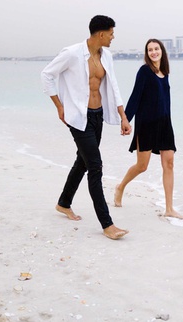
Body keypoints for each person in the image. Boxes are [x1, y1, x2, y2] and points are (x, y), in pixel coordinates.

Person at [40, 15, 131, 240]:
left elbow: (114, 85)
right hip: (78, 118)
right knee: (95, 166)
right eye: (111, 33)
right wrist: (59, 106)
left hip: (97, 115)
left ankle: (63, 203)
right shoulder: (71, 53)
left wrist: (123, 116)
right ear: (101, 34)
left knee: (83, 161)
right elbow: (47, 75)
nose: (113, 37)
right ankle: (107, 224)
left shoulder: (106, 56)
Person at [114, 38, 183, 219]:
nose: (154, 52)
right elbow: (135, 96)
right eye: (150, 50)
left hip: (165, 123)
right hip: (147, 123)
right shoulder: (144, 71)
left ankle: (169, 209)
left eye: (156, 48)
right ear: (147, 53)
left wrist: (168, 121)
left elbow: (166, 100)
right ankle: (120, 186)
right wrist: (126, 120)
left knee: (169, 163)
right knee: (142, 166)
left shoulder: (165, 72)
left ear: (162, 51)